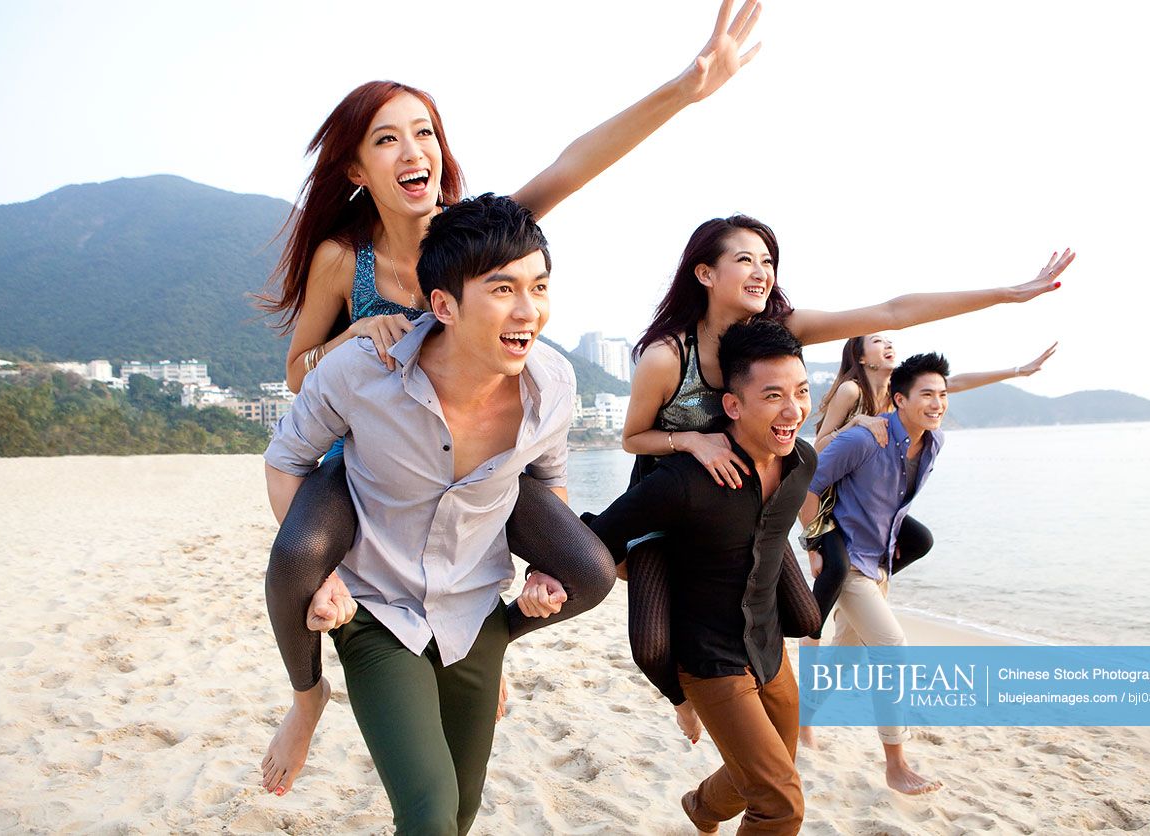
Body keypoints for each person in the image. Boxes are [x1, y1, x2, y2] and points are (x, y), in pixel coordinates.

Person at [257, 0, 764, 796]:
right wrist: (358, 336)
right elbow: (298, 370)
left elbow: (573, 162)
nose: (412, 150)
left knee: (587, 566)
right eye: (386, 138)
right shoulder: (341, 257)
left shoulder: (473, 236)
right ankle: (307, 696)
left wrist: (683, 90)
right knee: (293, 560)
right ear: (357, 169)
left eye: (423, 131)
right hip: (373, 458)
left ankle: (479, 647)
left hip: (482, 450)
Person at [619, 214, 1073, 735]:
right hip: (666, 510)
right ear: (704, 273)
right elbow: (633, 439)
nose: (761, 272)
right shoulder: (668, 354)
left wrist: (1007, 294)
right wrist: (693, 439)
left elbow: (892, 311)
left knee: (808, 619)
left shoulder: (779, 330)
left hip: (741, 510)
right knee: (653, 645)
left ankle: (777, 699)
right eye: (744, 259)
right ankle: (683, 698)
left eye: (768, 261)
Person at [263, 195, 592, 833]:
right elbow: (285, 461)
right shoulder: (362, 372)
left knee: (461, 813)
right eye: (503, 289)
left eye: (539, 287)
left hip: (475, 612)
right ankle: (308, 699)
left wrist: (543, 572)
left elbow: (548, 482)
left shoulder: (553, 384)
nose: (528, 311)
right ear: (443, 304)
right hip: (377, 610)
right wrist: (327, 577)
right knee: (430, 814)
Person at [587, 319, 816, 835]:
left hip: (769, 649)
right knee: (781, 805)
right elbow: (602, 533)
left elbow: (779, 545)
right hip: (710, 661)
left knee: (769, 769)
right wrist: (560, 573)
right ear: (732, 405)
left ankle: (701, 809)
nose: (793, 411)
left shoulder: (802, 462)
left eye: (801, 393)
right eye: (773, 396)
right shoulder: (685, 482)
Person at [803, 335, 1058, 622]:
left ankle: (861, 590)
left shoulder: (894, 393)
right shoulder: (852, 390)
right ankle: (812, 627)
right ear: (861, 358)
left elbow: (955, 383)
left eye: (889, 340)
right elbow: (819, 445)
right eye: (877, 340)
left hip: (868, 494)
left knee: (919, 540)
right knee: (836, 568)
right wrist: (855, 423)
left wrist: (1018, 371)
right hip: (835, 495)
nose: (888, 345)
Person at [799, 352, 953, 795]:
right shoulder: (866, 441)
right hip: (847, 564)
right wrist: (814, 546)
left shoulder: (933, 443)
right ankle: (896, 763)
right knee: (892, 649)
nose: (937, 403)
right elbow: (806, 485)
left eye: (943, 395)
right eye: (927, 394)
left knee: (843, 659)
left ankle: (800, 722)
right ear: (899, 399)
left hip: (880, 564)